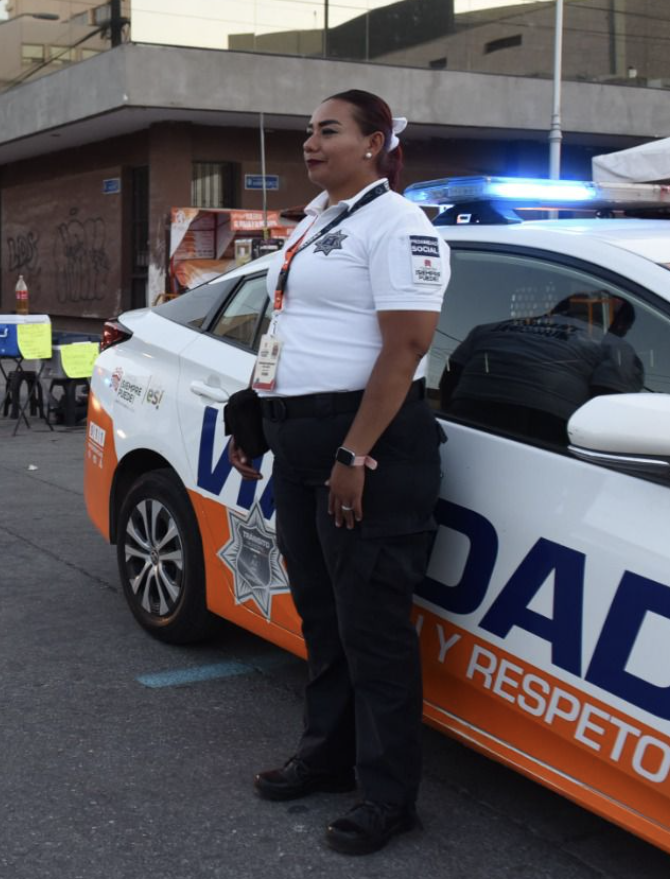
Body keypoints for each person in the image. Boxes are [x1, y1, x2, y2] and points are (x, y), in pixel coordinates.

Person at [228, 89, 449, 856]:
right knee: (322, 617)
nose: (310, 144)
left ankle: (389, 797)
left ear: (374, 140)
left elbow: (407, 348)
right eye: (308, 133)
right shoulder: (320, 220)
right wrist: (255, 409)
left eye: (328, 131)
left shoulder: (400, 225)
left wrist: (352, 455)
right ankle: (327, 756)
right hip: (300, 441)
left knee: (373, 630)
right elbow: (292, 324)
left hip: (367, 447)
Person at [441, 291, 644, 445]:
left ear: (555, 310)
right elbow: (608, 410)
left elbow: (450, 378)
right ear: (619, 325)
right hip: (545, 436)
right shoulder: (614, 346)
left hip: (461, 421)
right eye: (626, 328)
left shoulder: (488, 329)